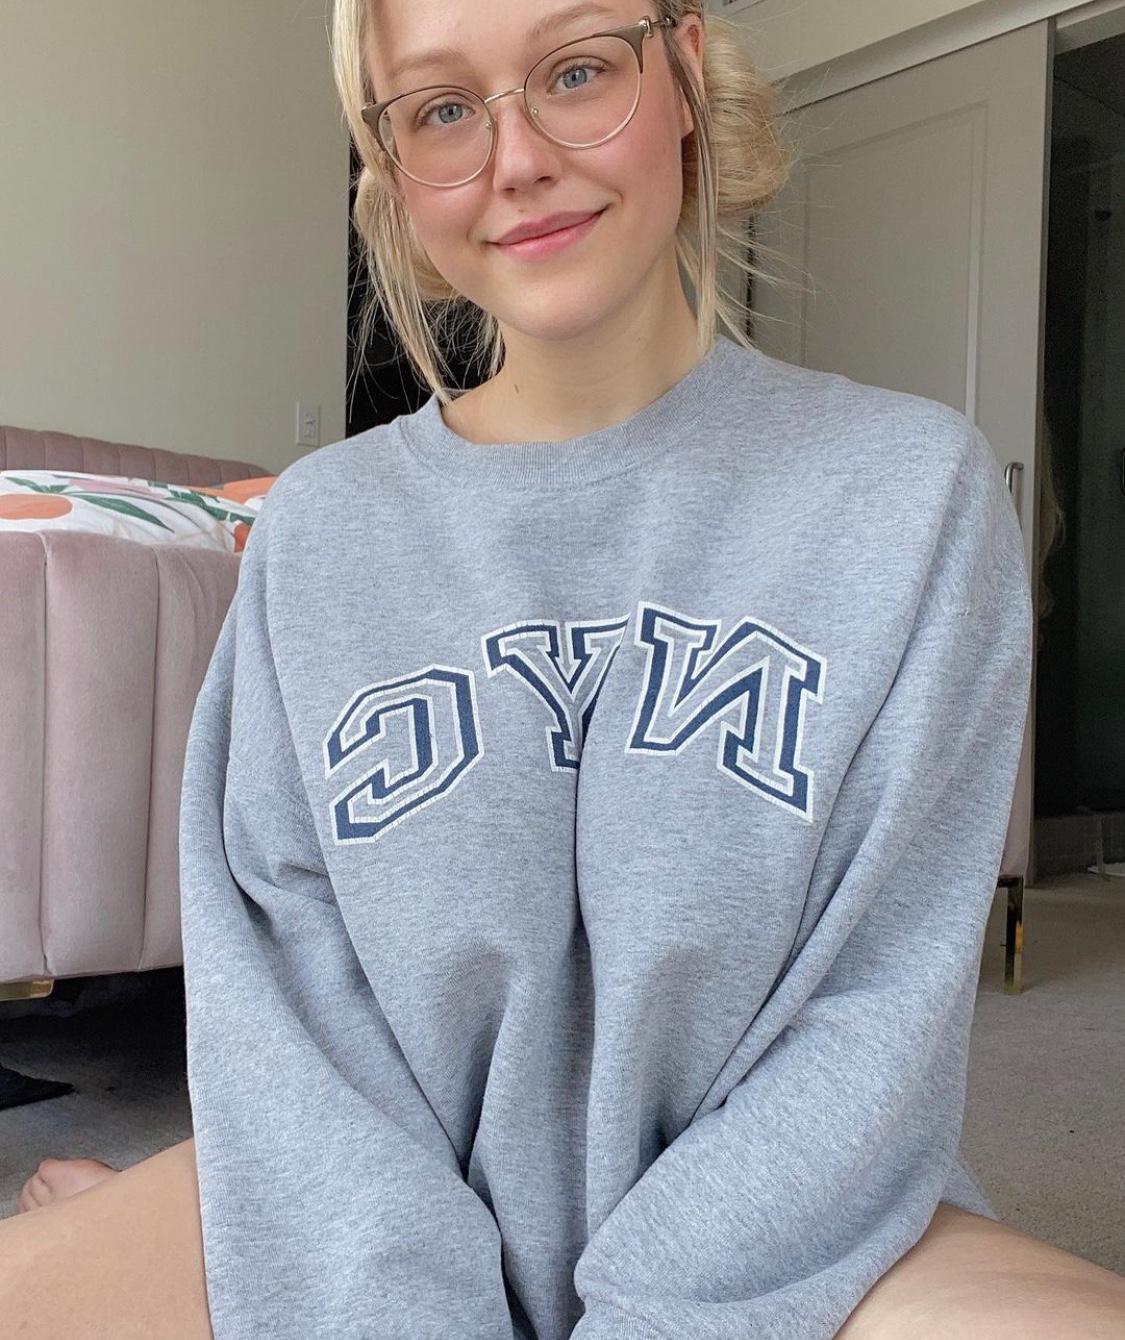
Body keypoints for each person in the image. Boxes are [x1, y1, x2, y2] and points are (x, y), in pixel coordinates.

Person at [4, 1, 1125, 1336]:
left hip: (792, 1247)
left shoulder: (908, 490)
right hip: (365, 1231)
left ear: (684, 71)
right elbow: (287, 1019)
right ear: (394, 170)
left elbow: (875, 1015)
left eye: (576, 71)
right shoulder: (318, 530)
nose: (519, 158)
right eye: (442, 109)